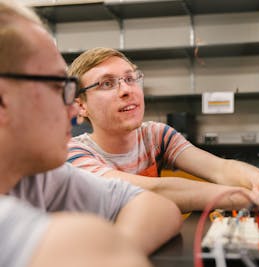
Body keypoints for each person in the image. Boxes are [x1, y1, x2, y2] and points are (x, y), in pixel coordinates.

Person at [67, 47, 259, 214]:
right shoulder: (74, 155)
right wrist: (257, 199)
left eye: (131, 78)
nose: (126, 90)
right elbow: (153, 191)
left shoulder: (155, 135)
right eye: (107, 83)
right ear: (80, 106)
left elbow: (221, 169)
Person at [0, 1, 182, 267]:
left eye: (131, 79)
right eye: (57, 86)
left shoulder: (36, 176)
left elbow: (158, 207)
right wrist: (105, 250)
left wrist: (115, 249)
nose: (73, 109)